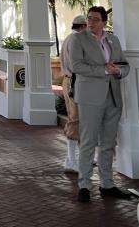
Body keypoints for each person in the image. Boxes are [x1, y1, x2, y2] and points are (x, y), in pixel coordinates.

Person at [69, 5, 133, 203]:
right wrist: (104, 70)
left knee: (108, 142)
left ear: (104, 22)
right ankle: (85, 186)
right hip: (90, 97)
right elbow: (76, 66)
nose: (90, 22)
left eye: (95, 19)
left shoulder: (113, 39)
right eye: (89, 18)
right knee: (88, 141)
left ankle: (107, 184)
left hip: (113, 97)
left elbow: (124, 64)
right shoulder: (77, 39)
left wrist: (119, 71)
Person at [60, 14, 88, 173]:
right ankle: (71, 160)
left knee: (78, 119)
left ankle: (76, 158)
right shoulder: (76, 41)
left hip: (71, 81)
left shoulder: (69, 39)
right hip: (74, 83)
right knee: (75, 119)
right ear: (83, 26)